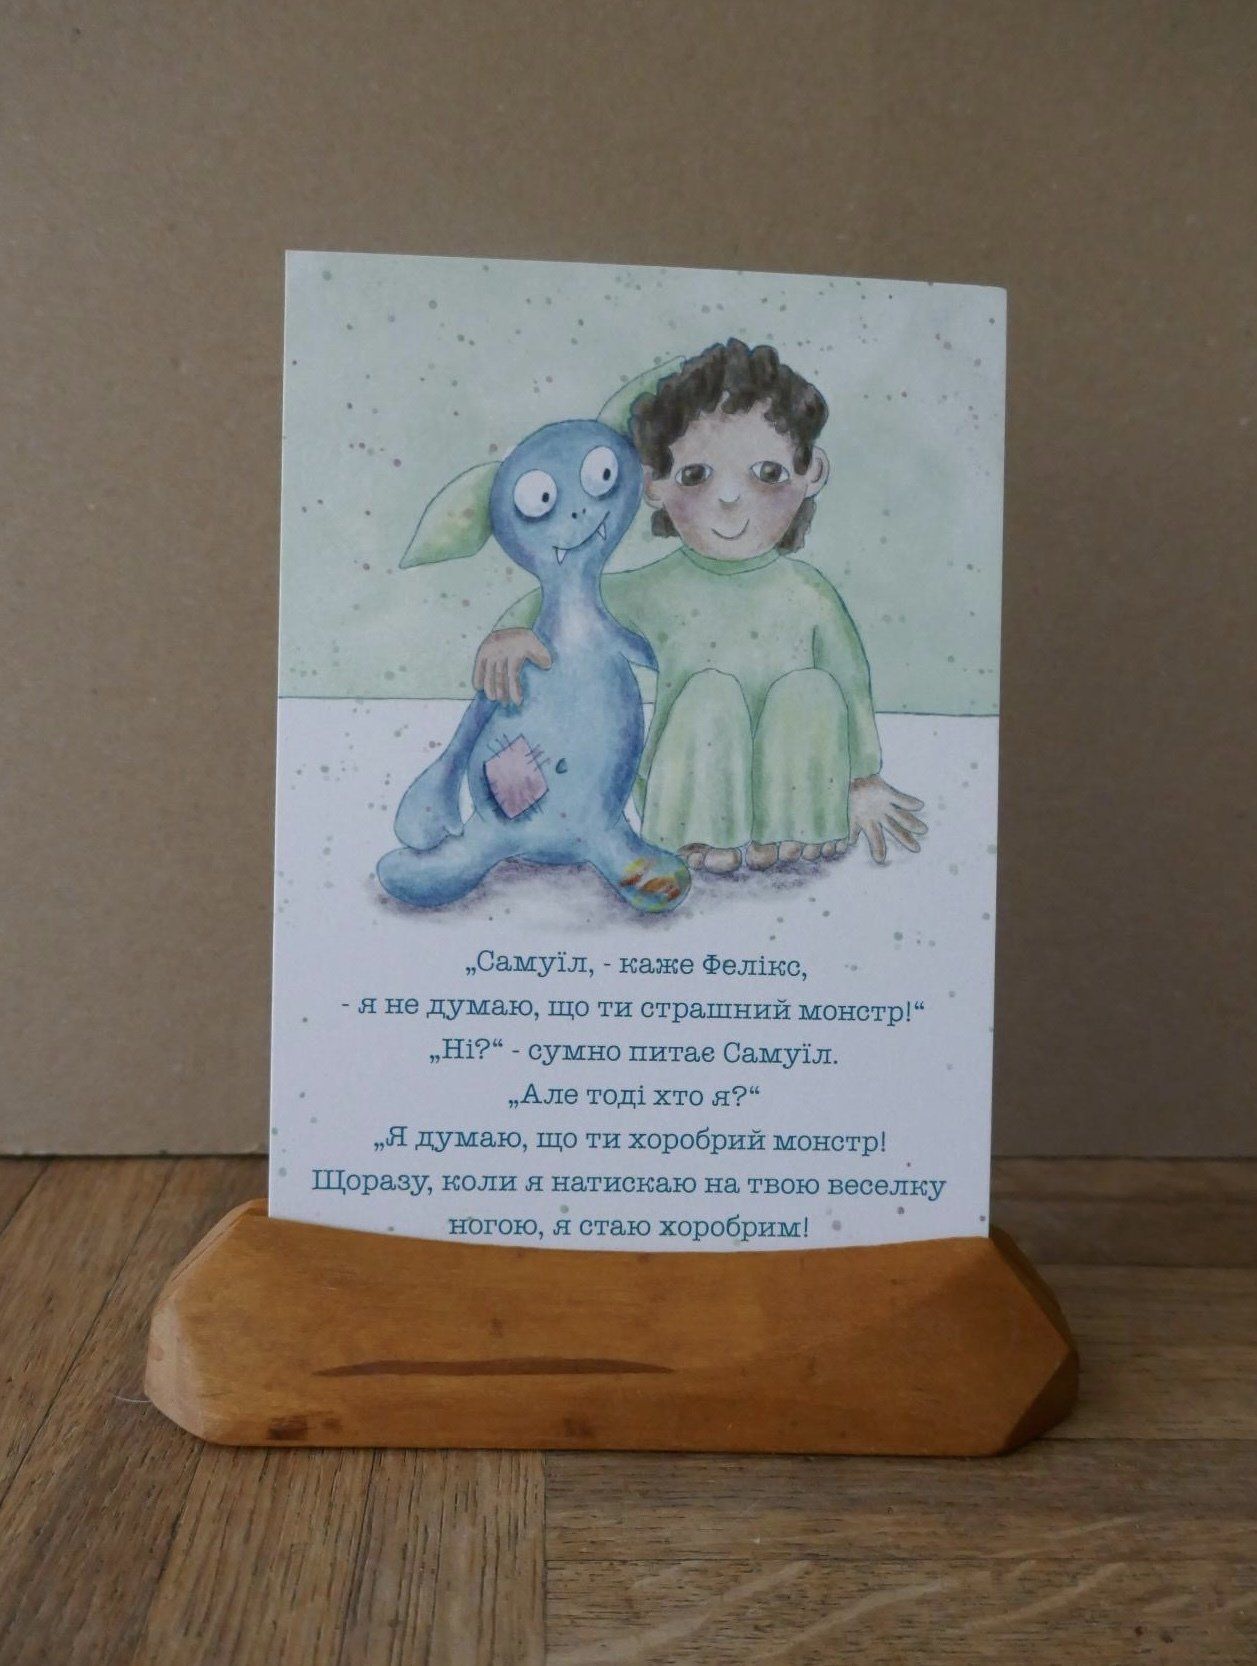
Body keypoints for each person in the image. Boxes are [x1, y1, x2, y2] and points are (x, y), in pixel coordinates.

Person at [472, 339, 926, 872]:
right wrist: (511, 632)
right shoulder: (656, 589)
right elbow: (565, 605)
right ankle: (703, 835)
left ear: (813, 473)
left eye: (768, 473)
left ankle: (796, 823)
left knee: (811, 691)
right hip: (688, 794)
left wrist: (862, 777)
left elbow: (850, 683)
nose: (730, 498)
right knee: (709, 694)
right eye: (696, 475)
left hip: (799, 802)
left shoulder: (810, 595)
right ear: (654, 486)